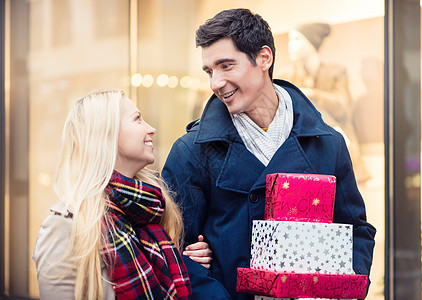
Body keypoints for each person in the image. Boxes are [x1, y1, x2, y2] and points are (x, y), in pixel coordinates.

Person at [162, 8, 376, 300]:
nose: (215, 83)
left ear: (264, 58)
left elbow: (356, 232)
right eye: (210, 71)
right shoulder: (191, 151)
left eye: (226, 65)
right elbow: (173, 249)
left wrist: (342, 289)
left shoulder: (328, 143)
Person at [33, 89, 212, 299]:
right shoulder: (65, 225)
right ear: (106, 133)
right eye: (137, 119)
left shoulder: (146, 211)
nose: (151, 129)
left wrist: (185, 264)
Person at [282, 22, 371, 184]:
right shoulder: (287, 77)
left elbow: (343, 108)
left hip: (333, 141)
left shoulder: (336, 72)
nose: (290, 45)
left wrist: (312, 94)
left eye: (296, 39)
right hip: (301, 150)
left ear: (310, 43)